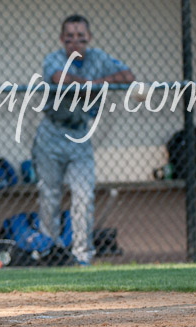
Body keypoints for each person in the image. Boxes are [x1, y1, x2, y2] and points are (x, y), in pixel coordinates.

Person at [32, 14, 134, 266]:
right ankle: (49, 252)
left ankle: (82, 256)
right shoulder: (53, 58)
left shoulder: (99, 57)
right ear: (61, 40)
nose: (75, 42)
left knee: (83, 194)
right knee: (50, 195)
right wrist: (95, 85)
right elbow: (60, 79)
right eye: (69, 38)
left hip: (80, 134)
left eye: (80, 37)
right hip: (52, 132)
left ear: (88, 38)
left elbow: (128, 76)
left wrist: (98, 82)